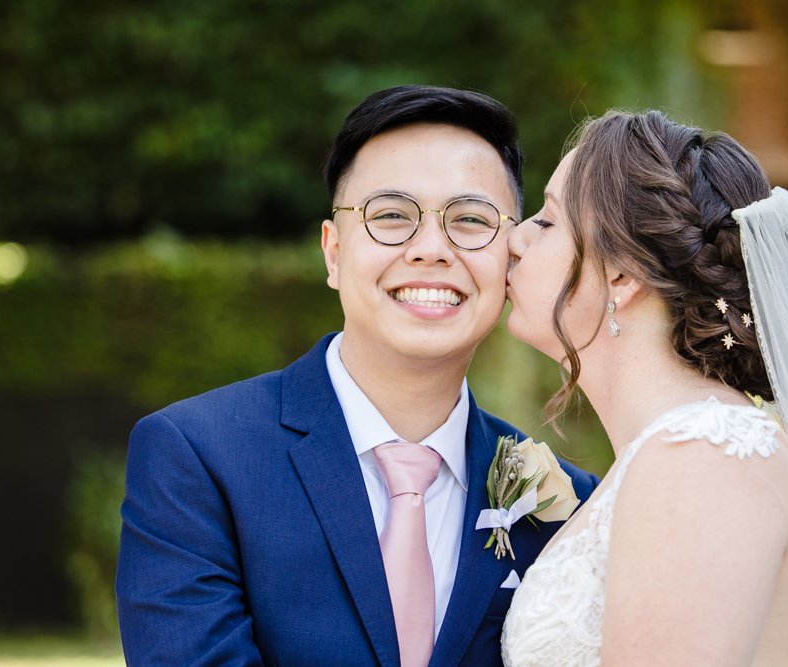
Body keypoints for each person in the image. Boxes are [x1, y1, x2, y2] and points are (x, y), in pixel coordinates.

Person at [115, 85, 598, 667]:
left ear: (511, 259)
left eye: (470, 220)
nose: (430, 249)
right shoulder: (198, 456)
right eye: (391, 216)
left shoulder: (566, 505)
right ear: (333, 251)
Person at [500, 110, 788, 665]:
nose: (516, 238)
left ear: (622, 276)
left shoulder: (701, 459)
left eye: (547, 222)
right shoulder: (681, 451)